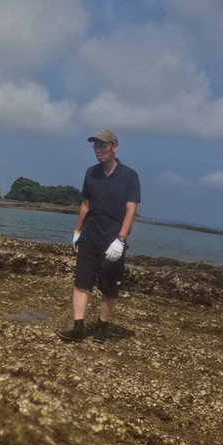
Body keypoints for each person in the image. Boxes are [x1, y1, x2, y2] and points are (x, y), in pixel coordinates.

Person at [59, 129, 140, 344]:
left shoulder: (130, 176)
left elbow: (131, 210)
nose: (98, 150)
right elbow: (85, 204)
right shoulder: (91, 173)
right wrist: (77, 231)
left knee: (109, 286)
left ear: (114, 147)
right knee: (81, 282)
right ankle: (78, 328)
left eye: (102, 146)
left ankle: (101, 328)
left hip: (113, 238)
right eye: (95, 146)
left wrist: (120, 240)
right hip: (90, 234)